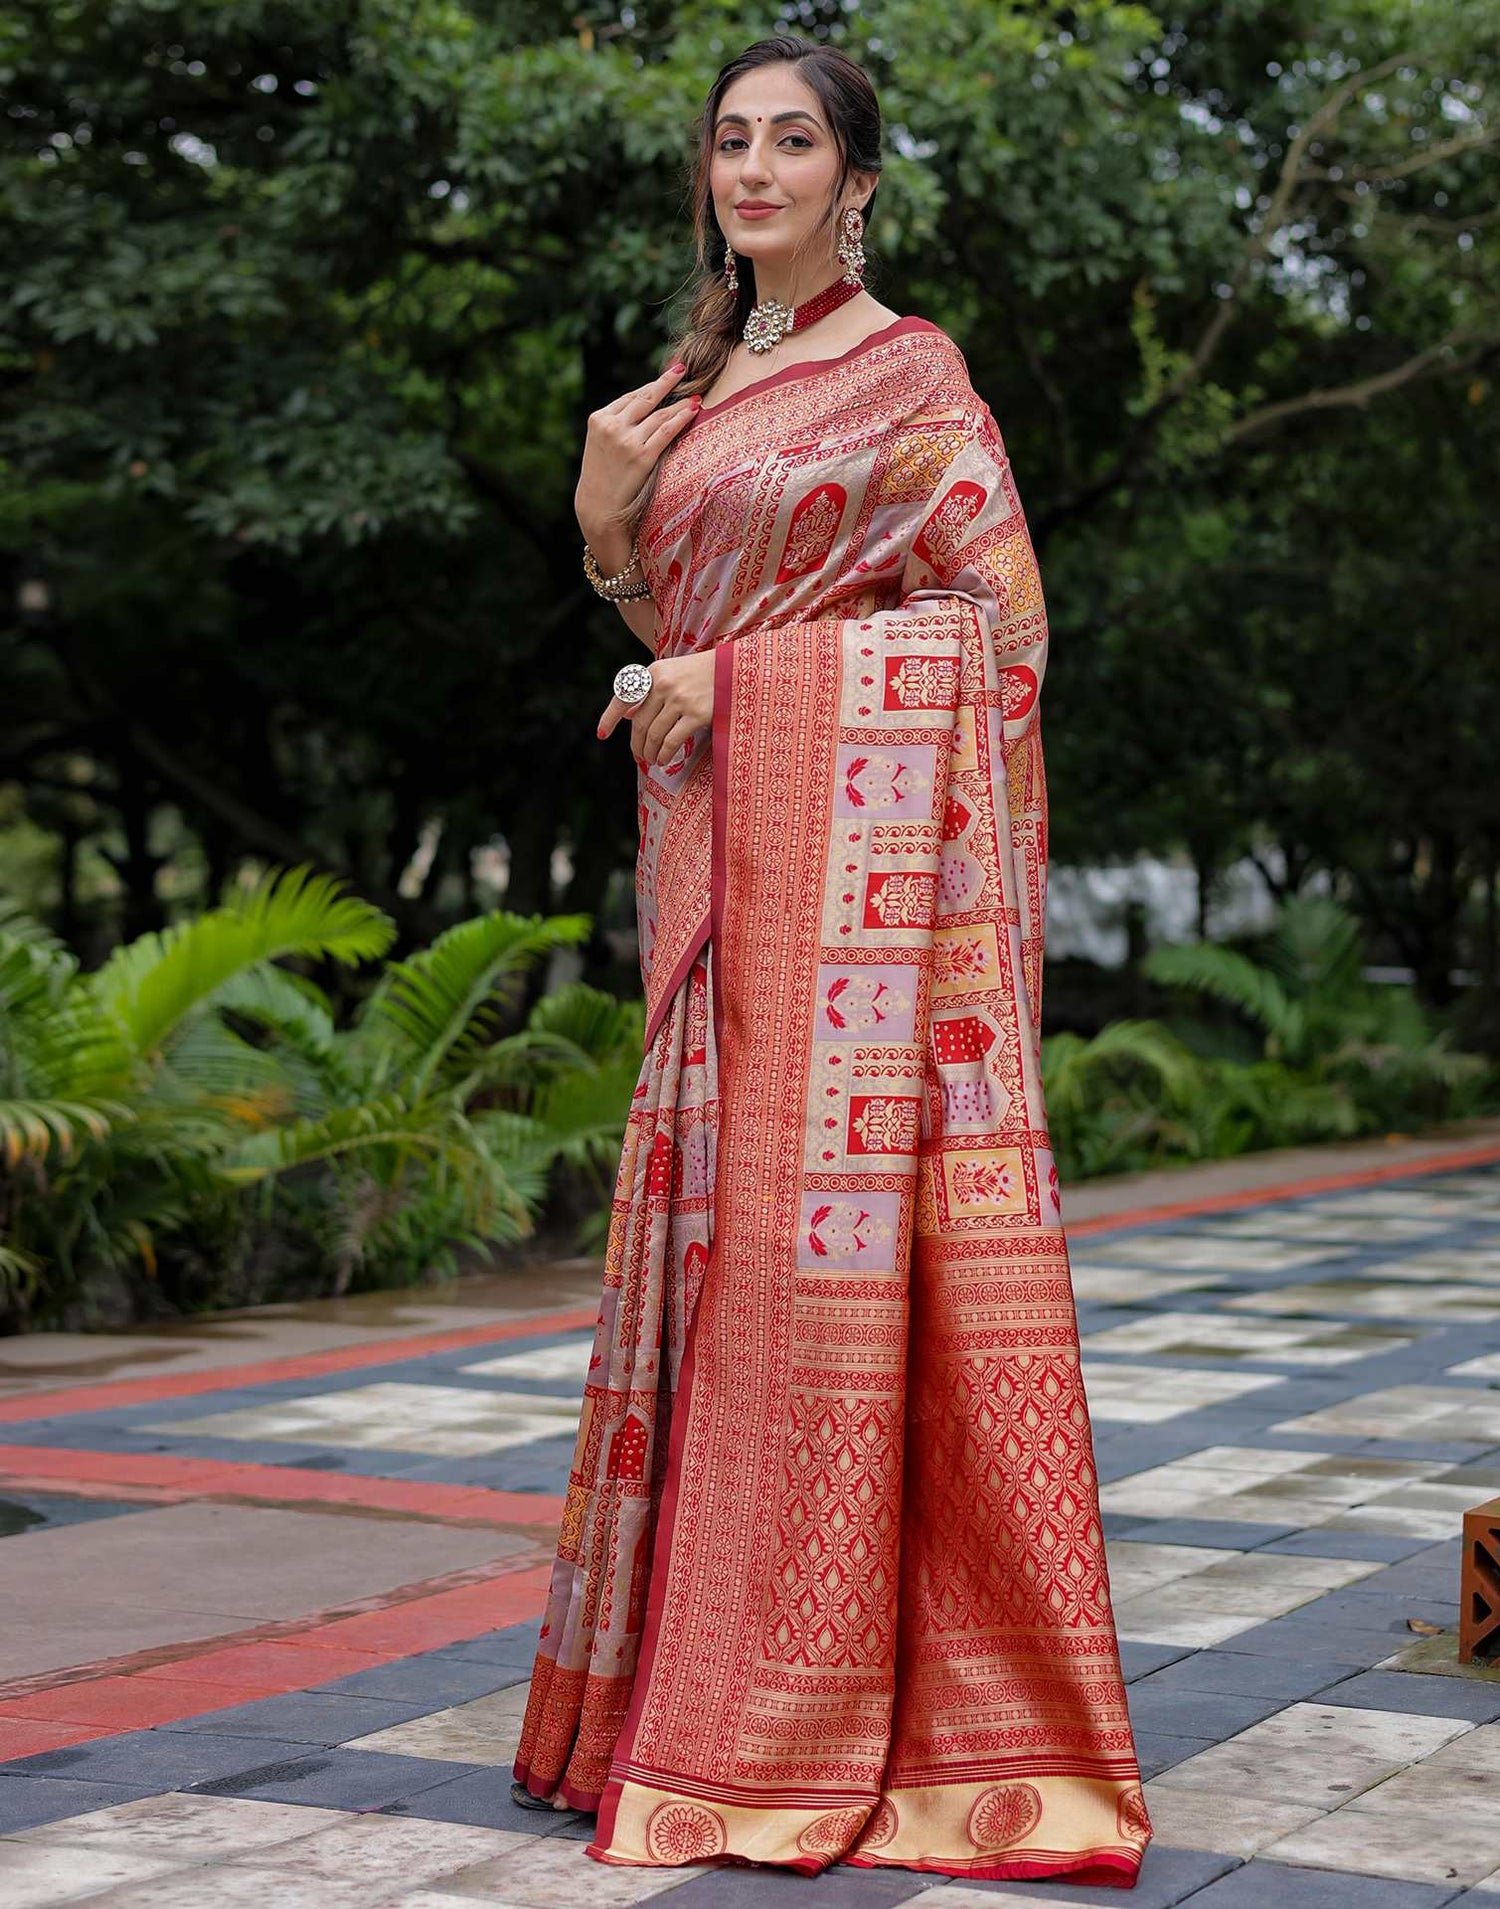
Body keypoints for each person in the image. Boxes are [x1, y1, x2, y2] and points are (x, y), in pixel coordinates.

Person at [511, 32, 1149, 1888]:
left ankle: (814, 1716)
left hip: (846, 914)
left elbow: (997, 637)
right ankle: (677, 1695)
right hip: (714, 870)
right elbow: (668, 624)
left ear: (857, 177)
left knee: (826, 1274)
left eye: (796, 140)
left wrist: (734, 682)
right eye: (731, 140)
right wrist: (604, 534)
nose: (758, 167)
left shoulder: (912, 375)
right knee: (715, 1265)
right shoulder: (693, 386)